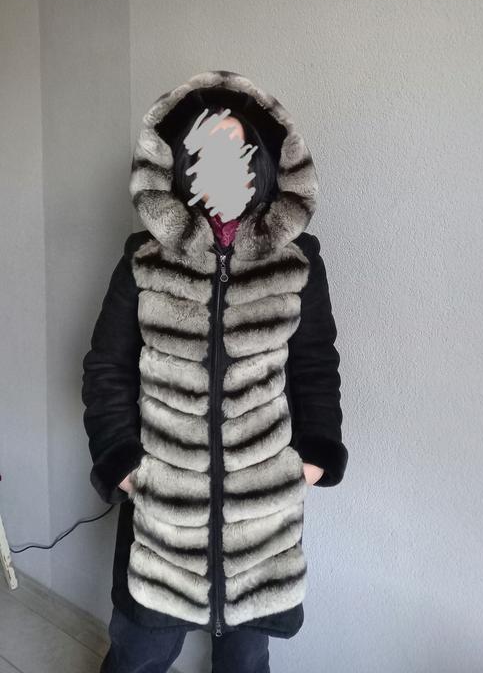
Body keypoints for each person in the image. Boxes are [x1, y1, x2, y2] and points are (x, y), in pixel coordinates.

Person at [82, 70, 349, 673]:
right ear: (183, 165)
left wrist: (311, 458)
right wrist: (125, 465)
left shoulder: (299, 263)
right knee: (139, 656)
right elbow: (107, 367)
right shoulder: (143, 261)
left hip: (262, 521)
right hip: (163, 516)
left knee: (246, 660)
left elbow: (315, 365)